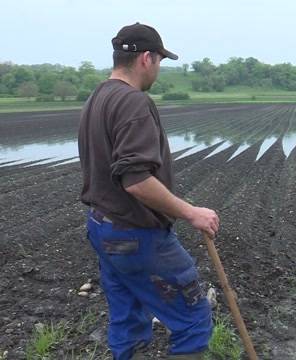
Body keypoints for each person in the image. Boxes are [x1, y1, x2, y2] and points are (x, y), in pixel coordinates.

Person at [78, 23, 220, 360]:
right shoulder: (133, 103)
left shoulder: (98, 97)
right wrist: (191, 213)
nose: (158, 68)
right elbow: (136, 180)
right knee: (193, 320)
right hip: (137, 234)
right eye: (159, 60)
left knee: (128, 320)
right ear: (146, 58)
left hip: (102, 227)